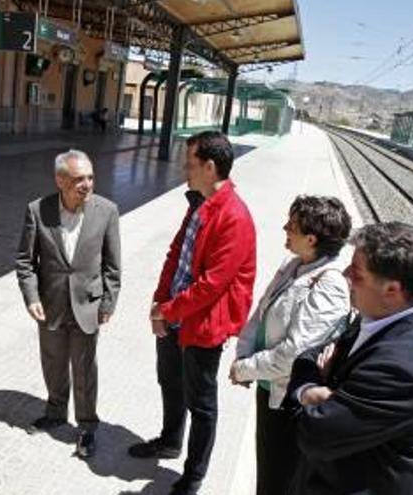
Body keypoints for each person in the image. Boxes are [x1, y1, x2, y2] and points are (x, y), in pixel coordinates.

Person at [283, 222, 413, 495]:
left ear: (392, 290)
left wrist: (308, 393)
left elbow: (314, 434)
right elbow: (309, 357)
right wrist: (313, 392)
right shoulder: (382, 316)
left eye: (358, 274)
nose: (345, 275)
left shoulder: (403, 368)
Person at [128, 131, 257, 495]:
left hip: (203, 323)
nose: (184, 169)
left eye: (190, 163)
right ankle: (170, 441)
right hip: (175, 314)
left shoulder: (233, 215)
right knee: (170, 382)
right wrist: (159, 302)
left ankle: (194, 475)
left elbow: (212, 285)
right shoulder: (199, 202)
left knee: (201, 403)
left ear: (210, 167)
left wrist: (167, 310)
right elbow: (176, 255)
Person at [230, 195, 352, 495]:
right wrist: (244, 356)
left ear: (311, 238)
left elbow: (294, 354)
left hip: (290, 403)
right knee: (268, 474)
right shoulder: (294, 265)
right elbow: (261, 313)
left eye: (292, 225)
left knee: (280, 480)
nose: (285, 228)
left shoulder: (330, 284)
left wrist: (245, 369)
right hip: (269, 388)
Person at [15, 149, 121, 458]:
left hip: (88, 305)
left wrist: (108, 304)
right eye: (78, 179)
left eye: (90, 177)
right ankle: (55, 412)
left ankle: (87, 426)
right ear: (60, 180)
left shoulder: (107, 211)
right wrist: (31, 297)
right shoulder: (37, 210)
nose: (86, 184)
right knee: (53, 362)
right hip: (50, 305)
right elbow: (24, 261)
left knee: (85, 369)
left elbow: (113, 266)